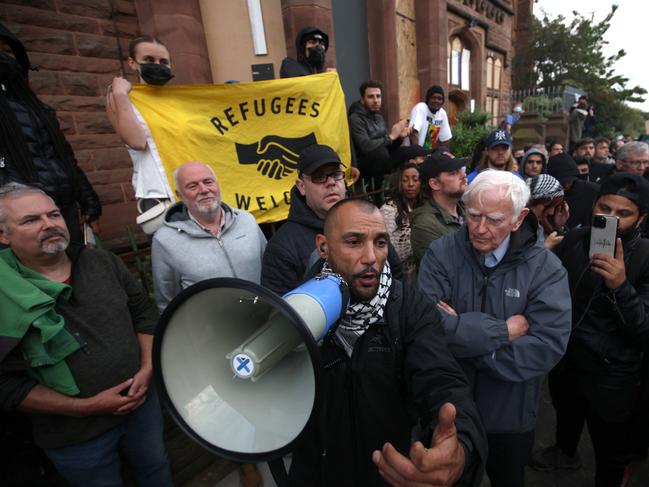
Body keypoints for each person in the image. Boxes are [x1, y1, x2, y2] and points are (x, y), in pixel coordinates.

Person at [287, 197, 487, 486]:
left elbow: (441, 378)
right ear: (323, 246)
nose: (371, 257)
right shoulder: (294, 310)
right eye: (354, 242)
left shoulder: (408, 306)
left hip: (389, 472)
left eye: (380, 242)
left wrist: (461, 445)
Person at [0, 183, 172, 486]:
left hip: (141, 406)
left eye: (53, 214)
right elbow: (6, 385)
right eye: (31, 220)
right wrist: (85, 408)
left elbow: (144, 316)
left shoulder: (101, 262)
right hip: (74, 436)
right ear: (3, 235)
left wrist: (148, 369)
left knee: (155, 468)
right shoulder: (5, 293)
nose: (49, 224)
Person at [417, 170, 572, 487]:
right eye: (473, 215)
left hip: (510, 417)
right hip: (449, 410)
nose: (480, 228)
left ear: (519, 218)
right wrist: (502, 332)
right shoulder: (441, 253)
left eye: (495, 219)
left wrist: (464, 338)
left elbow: (547, 346)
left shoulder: (546, 268)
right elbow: (426, 325)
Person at [531, 173, 649, 487]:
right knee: (566, 415)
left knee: (609, 447)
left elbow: (643, 331)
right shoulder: (573, 240)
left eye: (623, 213)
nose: (610, 219)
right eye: (604, 208)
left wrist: (620, 286)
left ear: (641, 218)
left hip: (612, 373)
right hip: (566, 359)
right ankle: (565, 452)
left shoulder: (646, 256)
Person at [0, 25, 101, 245]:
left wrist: (88, 200)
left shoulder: (35, 108)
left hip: (63, 208)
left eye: (5, 49)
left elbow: (64, 157)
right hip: (23, 216)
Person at [261, 144, 402, 296]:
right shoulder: (282, 246)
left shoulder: (368, 222)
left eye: (336, 175)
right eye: (319, 177)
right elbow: (281, 310)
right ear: (301, 187)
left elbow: (397, 277)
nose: (331, 182)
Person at [151, 162, 267, 311]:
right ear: (179, 195)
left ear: (217, 185)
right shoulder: (164, 241)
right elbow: (167, 302)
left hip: (264, 316)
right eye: (193, 186)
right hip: (212, 331)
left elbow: (270, 270)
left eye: (208, 182)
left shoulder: (247, 221)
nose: (204, 190)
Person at [106, 35, 176, 234]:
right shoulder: (121, 98)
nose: (157, 65)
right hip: (159, 195)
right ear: (132, 63)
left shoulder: (181, 100)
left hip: (192, 189)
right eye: (149, 60)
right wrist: (120, 96)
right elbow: (137, 142)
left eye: (163, 62)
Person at [348, 80, 409, 193]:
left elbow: (387, 144)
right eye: (371, 97)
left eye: (378, 96)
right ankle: (376, 193)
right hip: (362, 165)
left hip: (382, 160)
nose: (376, 100)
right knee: (381, 153)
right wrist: (391, 136)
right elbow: (365, 146)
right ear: (362, 99)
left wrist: (399, 138)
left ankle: (403, 190)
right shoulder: (355, 118)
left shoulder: (379, 117)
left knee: (410, 151)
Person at [410, 154, 467, 264]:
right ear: (435, 184)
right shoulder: (424, 224)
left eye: (461, 170)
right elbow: (448, 269)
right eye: (453, 173)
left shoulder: (469, 210)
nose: (463, 175)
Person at [379, 162, 422, 283]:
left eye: (415, 179)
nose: (411, 184)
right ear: (399, 183)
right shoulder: (388, 210)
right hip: (396, 273)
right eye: (405, 180)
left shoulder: (424, 207)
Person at [546, 153, 600, 229]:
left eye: (569, 181)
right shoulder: (547, 195)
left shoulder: (593, 190)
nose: (566, 185)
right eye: (562, 182)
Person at [526, 174, 569, 250]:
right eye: (548, 206)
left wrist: (559, 228)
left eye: (554, 207)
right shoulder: (517, 227)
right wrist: (545, 248)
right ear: (532, 201)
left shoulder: (539, 226)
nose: (551, 212)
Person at [408, 85, 452, 150]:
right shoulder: (421, 108)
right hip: (411, 152)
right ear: (428, 99)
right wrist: (417, 156)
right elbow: (413, 133)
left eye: (439, 98)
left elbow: (445, 140)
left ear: (442, 101)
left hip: (426, 153)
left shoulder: (442, 113)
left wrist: (446, 154)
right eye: (433, 97)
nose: (436, 100)